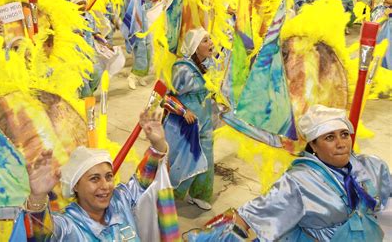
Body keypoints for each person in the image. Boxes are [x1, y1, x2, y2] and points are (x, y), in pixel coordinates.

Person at [191, 105, 390, 240]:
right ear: (314, 145)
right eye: (330, 137)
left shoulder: (371, 166)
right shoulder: (299, 182)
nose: (341, 144)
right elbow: (248, 217)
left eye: (344, 134)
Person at [23, 110, 168, 240]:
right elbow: (41, 236)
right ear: (76, 186)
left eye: (109, 176)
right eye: (94, 179)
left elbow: (143, 183)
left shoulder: (120, 200)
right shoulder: (68, 226)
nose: (105, 186)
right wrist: (37, 197)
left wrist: (158, 145)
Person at [163, 27, 215, 211]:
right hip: (186, 127)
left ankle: (199, 194)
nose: (211, 43)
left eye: (210, 39)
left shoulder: (208, 65)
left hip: (206, 122)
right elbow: (166, 98)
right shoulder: (182, 69)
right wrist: (183, 111)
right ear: (194, 47)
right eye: (205, 41)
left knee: (207, 158)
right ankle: (170, 194)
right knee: (185, 161)